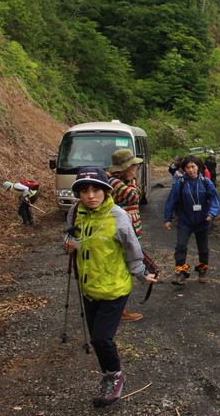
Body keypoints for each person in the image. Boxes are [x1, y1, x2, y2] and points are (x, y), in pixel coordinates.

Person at [63, 167, 157, 408]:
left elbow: (132, 248)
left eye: (96, 190)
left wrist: (141, 274)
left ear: (106, 191)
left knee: (102, 338)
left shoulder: (118, 216)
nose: (90, 196)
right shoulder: (75, 212)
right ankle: (109, 373)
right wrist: (69, 243)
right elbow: (70, 237)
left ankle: (114, 376)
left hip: (114, 288)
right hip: (89, 288)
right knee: (97, 340)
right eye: (84, 191)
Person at [163, 155, 220, 285]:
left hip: (202, 221)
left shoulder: (206, 182)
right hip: (185, 221)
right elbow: (171, 201)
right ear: (183, 169)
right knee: (181, 246)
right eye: (187, 167)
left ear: (198, 167)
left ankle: (202, 270)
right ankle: (181, 272)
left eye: (193, 166)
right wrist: (167, 218)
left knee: (203, 248)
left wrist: (211, 214)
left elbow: (214, 199)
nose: (191, 170)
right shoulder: (181, 183)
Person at [107, 148, 145, 322]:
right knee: (122, 271)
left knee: (125, 271)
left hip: (129, 232)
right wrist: (132, 183)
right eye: (133, 166)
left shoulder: (125, 180)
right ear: (125, 168)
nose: (135, 169)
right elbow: (133, 195)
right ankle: (118, 310)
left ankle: (119, 308)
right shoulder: (114, 182)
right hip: (121, 234)